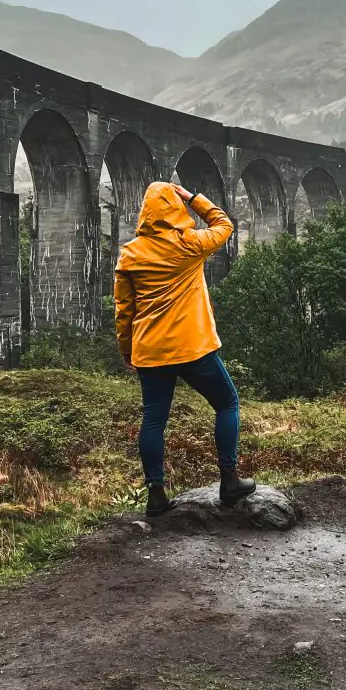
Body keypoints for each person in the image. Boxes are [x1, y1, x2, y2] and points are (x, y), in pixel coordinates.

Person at [114, 180, 256, 517]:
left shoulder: (130, 254)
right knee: (226, 403)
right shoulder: (191, 244)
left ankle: (156, 495)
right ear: (175, 209)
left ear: (145, 213)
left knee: (153, 420)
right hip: (194, 347)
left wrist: (126, 349)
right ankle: (229, 480)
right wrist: (193, 197)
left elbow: (124, 308)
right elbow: (224, 224)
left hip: (150, 349)